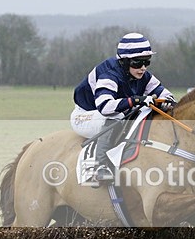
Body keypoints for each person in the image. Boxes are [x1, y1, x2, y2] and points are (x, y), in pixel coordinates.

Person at [71, 33, 176, 184]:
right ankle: (99, 167)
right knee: (117, 116)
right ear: (124, 62)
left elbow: (166, 95)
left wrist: (166, 102)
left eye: (146, 62)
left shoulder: (143, 75)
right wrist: (136, 100)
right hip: (85, 115)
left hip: (108, 112)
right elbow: (105, 106)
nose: (143, 68)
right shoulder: (109, 74)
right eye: (137, 63)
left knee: (144, 112)